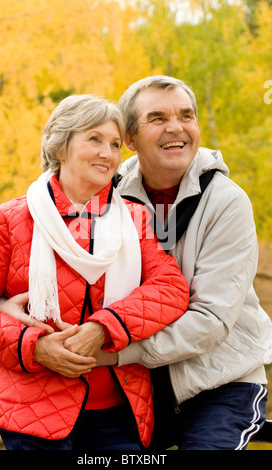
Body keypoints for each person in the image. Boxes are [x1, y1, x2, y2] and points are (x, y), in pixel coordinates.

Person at [0, 94, 189, 451]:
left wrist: (103, 327)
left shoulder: (137, 219)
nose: (108, 153)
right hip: (30, 409)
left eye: (115, 144)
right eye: (94, 139)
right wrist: (34, 347)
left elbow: (170, 289)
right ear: (60, 147)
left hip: (121, 411)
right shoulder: (10, 219)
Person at [98, 75, 272, 450]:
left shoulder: (227, 202)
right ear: (129, 138)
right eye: (158, 118)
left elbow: (210, 320)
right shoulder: (106, 194)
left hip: (220, 384)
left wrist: (110, 353)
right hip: (136, 387)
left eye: (186, 115)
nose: (176, 127)